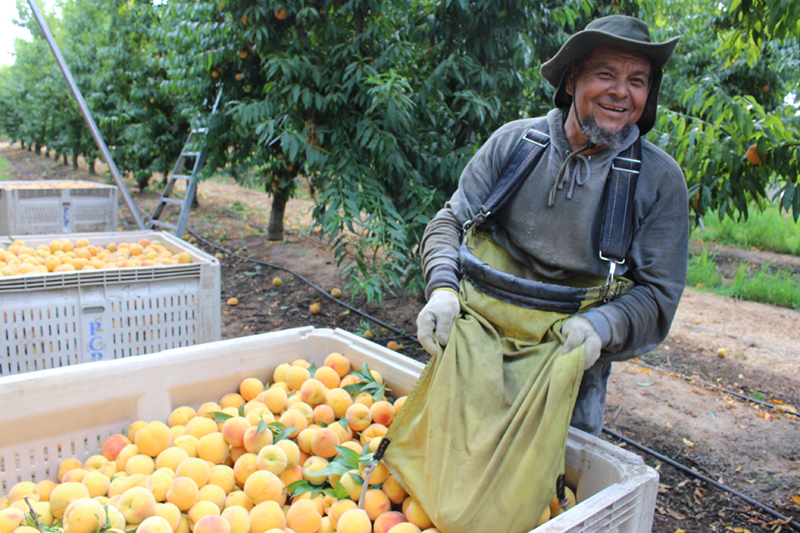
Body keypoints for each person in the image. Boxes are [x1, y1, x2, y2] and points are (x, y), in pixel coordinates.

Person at [416, 15, 689, 436]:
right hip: (473, 350)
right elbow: (450, 222)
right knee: (439, 460)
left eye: (637, 80)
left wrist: (599, 325)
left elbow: (658, 295)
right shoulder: (514, 144)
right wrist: (443, 290)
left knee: (548, 491)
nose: (621, 91)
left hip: (569, 372)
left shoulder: (657, 181)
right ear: (570, 81)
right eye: (606, 74)